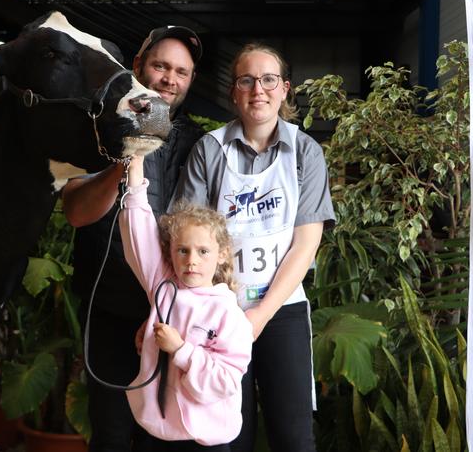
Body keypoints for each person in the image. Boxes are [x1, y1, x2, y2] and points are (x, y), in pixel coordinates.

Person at [171, 43, 336, 452]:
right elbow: (184, 232)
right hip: (217, 312)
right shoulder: (209, 150)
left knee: (294, 437)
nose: (257, 89)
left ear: (285, 90)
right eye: (246, 80)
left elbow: (306, 242)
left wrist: (260, 315)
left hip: (282, 310)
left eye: (268, 80)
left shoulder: (305, 151)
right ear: (234, 91)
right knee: (225, 436)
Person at [63, 26, 206, 452]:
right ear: (138, 66)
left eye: (181, 71)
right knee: (109, 434)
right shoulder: (97, 128)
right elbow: (76, 212)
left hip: (170, 317)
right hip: (109, 308)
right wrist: (129, 154)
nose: (170, 78)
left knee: (161, 438)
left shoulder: (199, 143)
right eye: (161, 66)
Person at [119, 155, 253, 452]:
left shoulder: (229, 314)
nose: (191, 260)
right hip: (157, 435)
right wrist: (136, 166)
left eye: (203, 251)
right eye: (183, 250)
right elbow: (138, 231)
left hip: (206, 441)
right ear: (171, 253)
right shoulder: (164, 288)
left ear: (221, 254)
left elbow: (225, 379)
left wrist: (181, 350)